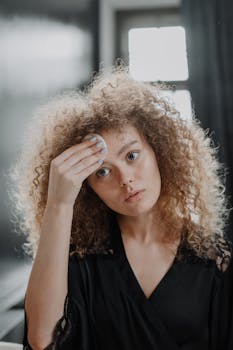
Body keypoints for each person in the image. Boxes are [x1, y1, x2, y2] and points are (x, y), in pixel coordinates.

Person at [8, 65, 233, 350]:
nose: (125, 179)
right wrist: (59, 203)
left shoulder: (213, 260)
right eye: (102, 172)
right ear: (88, 187)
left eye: (132, 155)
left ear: (159, 151)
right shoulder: (82, 258)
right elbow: (42, 340)